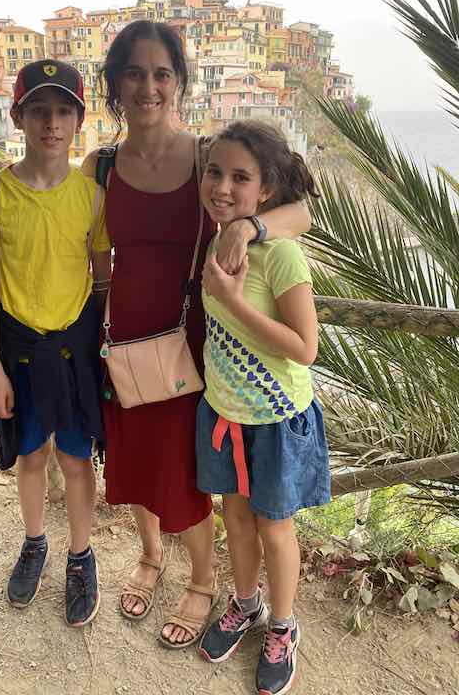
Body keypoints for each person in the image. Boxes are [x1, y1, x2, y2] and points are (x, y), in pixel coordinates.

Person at [0, 20, 312, 648]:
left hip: (197, 339)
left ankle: (204, 581)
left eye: (161, 73)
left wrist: (248, 230)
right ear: (115, 86)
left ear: (178, 82)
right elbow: (47, 203)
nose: (148, 86)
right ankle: (151, 558)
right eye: (133, 73)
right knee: (136, 459)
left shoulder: (211, 158)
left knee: (186, 467)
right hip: (118, 334)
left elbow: (303, 211)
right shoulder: (99, 166)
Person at [0, 59, 112, 628]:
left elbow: (101, 278)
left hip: (75, 349)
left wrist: (102, 354)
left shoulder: (92, 197)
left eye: (62, 111)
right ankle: (35, 542)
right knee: (30, 455)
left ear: (79, 120)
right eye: (38, 110)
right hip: (18, 348)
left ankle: (82, 555)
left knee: (78, 459)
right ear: (18, 117)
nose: (50, 123)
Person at [196, 120, 330, 693]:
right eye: (215, 172)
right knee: (237, 520)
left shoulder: (280, 257)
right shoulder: (219, 235)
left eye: (241, 177)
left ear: (266, 192)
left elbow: (305, 348)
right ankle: (244, 604)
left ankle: (282, 624)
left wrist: (229, 299)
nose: (223, 186)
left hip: (275, 421)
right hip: (224, 413)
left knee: (276, 529)